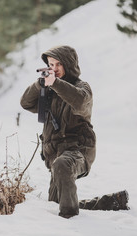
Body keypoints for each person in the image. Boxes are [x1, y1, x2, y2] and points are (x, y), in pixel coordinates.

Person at [20, 45, 128, 218]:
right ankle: (112, 201)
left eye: (58, 65)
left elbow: (78, 101)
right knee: (56, 204)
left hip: (78, 151)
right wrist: (39, 84)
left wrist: (55, 83)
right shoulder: (50, 90)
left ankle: (69, 222)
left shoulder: (82, 88)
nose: (54, 69)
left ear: (68, 65)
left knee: (63, 168)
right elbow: (26, 103)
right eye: (50, 64)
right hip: (55, 157)